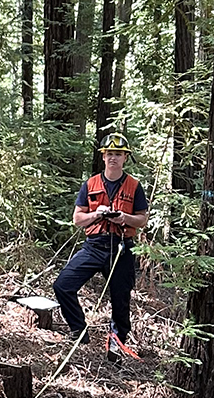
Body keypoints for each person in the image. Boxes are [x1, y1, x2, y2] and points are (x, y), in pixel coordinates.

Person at [53, 133, 150, 361]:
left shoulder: (134, 186)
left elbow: (142, 219)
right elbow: (77, 219)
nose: (113, 158)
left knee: (120, 299)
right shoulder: (91, 184)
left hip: (121, 248)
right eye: (109, 154)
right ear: (103, 157)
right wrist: (96, 214)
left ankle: (116, 346)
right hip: (94, 246)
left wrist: (124, 217)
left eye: (118, 154)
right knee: (63, 285)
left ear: (125, 158)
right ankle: (79, 331)